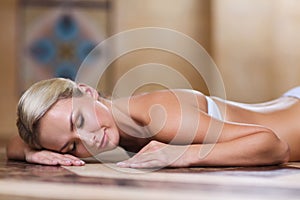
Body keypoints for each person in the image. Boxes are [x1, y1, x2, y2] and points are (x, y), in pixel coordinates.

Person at [6, 77, 296, 168]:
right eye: (71, 146)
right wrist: (34, 152)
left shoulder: (159, 115)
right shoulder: (114, 126)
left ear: (89, 92)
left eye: (79, 120)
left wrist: (181, 154)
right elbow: (15, 143)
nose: (89, 140)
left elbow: (274, 146)